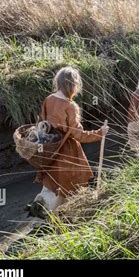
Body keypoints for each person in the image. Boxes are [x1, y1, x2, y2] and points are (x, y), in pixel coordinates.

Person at [29, 66, 109, 215]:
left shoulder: (49, 99)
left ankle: (39, 212)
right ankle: (58, 217)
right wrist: (100, 133)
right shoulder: (70, 106)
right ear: (73, 85)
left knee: (50, 184)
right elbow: (78, 134)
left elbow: (41, 124)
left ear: (58, 82)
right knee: (68, 187)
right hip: (67, 153)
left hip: (50, 149)